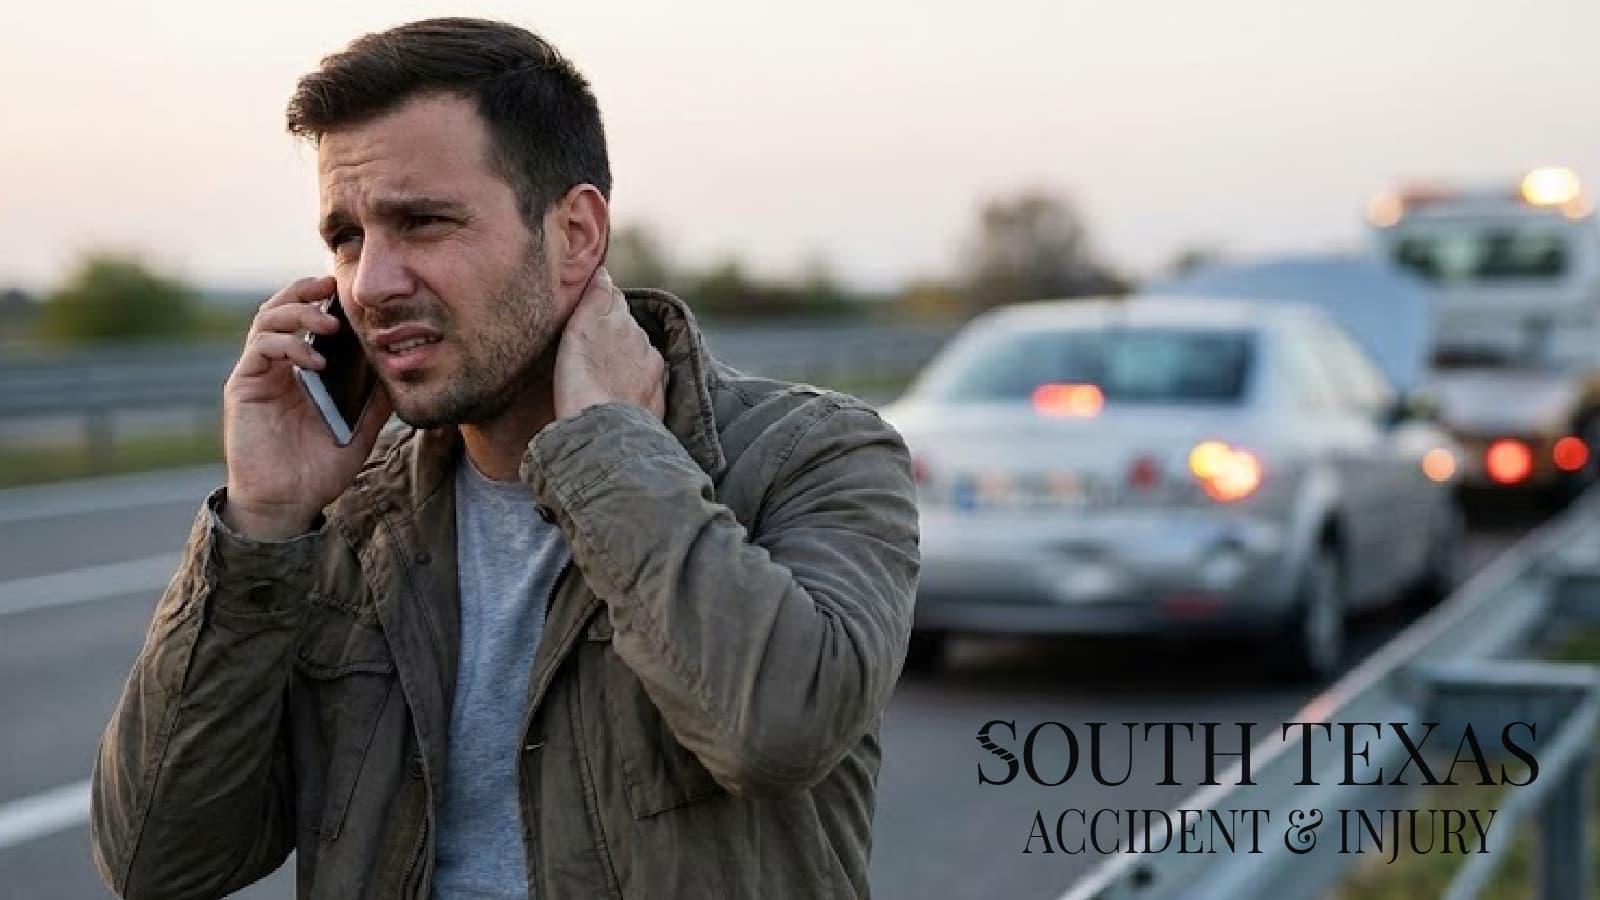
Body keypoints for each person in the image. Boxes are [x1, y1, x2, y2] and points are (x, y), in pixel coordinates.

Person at [90, 17, 919, 900]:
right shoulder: (350, 525)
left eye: (424, 222)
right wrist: (261, 522)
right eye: (347, 238)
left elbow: (776, 734)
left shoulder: (812, 455)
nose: (370, 284)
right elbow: (157, 861)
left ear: (574, 235)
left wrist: (608, 452)